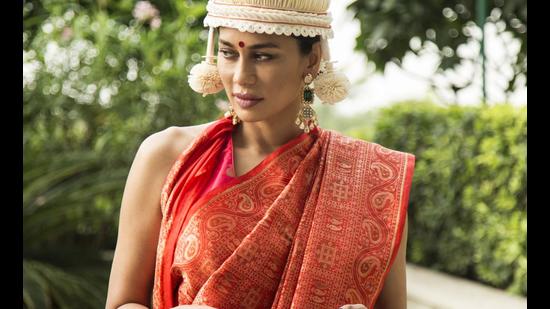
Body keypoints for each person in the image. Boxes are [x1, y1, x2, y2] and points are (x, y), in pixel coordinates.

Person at [106, 1, 415, 309]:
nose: (242, 76)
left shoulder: (371, 179)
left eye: (263, 56)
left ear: (312, 60)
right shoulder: (168, 156)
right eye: (229, 53)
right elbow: (123, 302)